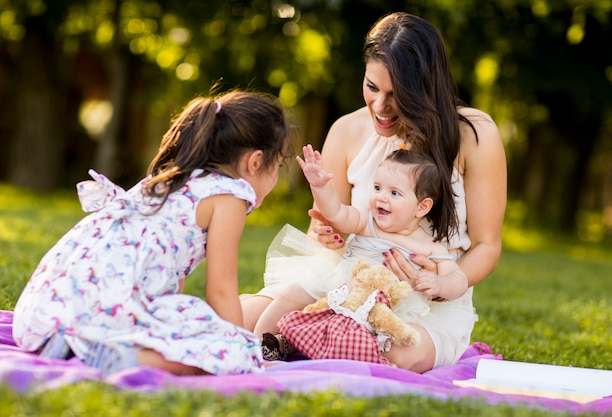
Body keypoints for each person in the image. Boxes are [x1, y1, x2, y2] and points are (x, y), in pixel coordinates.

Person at [241, 12, 507, 373]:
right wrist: (326, 236)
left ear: (426, 89)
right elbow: (325, 230)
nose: (380, 108)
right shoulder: (346, 131)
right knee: (242, 318)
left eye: (397, 96)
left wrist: (441, 284)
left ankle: (310, 347)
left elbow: (487, 245)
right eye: (371, 87)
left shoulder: (474, 134)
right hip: (343, 283)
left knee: (399, 353)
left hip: (428, 304)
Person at [12, 89, 294, 376]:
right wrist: (241, 352)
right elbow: (221, 291)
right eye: (279, 163)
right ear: (256, 162)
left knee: (191, 323)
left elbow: (173, 284)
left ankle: (91, 347)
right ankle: (129, 359)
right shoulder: (229, 196)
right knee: (221, 355)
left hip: (48, 316)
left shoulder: (171, 181)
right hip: (97, 316)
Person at [259, 145, 470, 362]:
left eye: (394, 193)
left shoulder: (430, 246)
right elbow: (336, 212)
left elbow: (458, 278)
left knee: (388, 340)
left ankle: (299, 346)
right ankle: (256, 342)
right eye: (377, 188)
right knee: (293, 294)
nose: (381, 197)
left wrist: (440, 283)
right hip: (341, 287)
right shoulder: (367, 221)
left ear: (422, 207)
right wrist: (320, 186)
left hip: (385, 307)